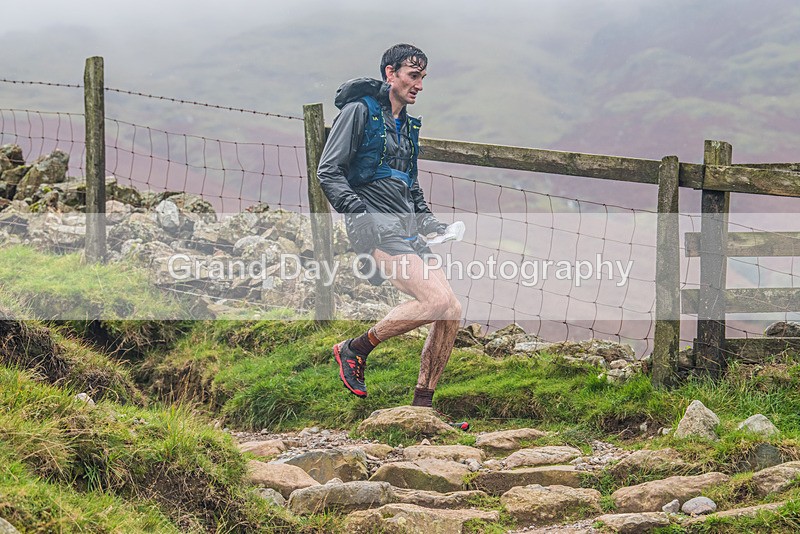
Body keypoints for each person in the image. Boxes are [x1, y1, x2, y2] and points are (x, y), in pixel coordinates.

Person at [317, 43, 462, 408]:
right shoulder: (358, 112)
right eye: (413, 76)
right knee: (436, 300)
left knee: (452, 310)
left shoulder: (406, 126)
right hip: (376, 226)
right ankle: (354, 349)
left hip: (408, 228)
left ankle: (422, 406)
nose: (420, 86)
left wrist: (430, 223)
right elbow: (328, 171)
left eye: (423, 78)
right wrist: (358, 212)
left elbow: (409, 184)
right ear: (390, 74)